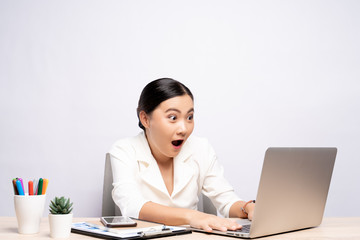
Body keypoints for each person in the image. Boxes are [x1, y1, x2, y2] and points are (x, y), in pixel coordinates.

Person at [109, 78, 255, 232]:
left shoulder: (201, 148)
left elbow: (227, 201)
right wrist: (193, 216)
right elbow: (132, 206)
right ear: (145, 118)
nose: (184, 129)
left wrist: (248, 207)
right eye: (173, 118)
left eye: (189, 117)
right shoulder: (124, 149)